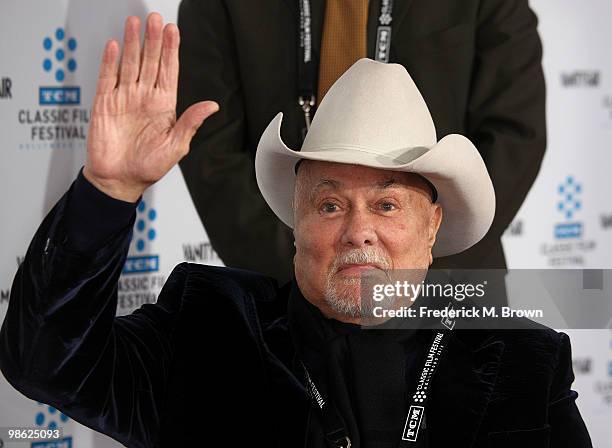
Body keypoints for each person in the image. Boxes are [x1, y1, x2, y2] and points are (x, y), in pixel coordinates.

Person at [0, 13, 589, 448]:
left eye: (386, 206)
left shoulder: (524, 367)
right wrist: (108, 193)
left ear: (433, 224)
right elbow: (43, 362)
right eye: (331, 205)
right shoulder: (208, 331)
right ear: (296, 218)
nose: (359, 231)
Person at [176, 0, 547, 285]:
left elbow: (515, 134)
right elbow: (209, 141)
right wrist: (310, 263)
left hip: (445, 283)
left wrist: (411, 261)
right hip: (281, 287)